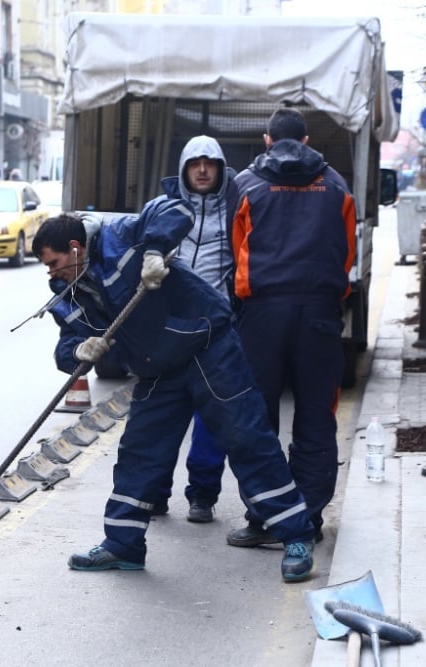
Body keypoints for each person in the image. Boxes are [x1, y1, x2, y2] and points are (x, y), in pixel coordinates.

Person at [32, 207, 317, 582]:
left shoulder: (122, 235)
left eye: (54, 263)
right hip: (157, 367)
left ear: (75, 248)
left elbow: (174, 208)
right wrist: (79, 352)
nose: (52, 273)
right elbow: (66, 346)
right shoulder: (68, 292)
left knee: (246, 437)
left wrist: (154, 250)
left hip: (206, 347)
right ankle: (123, 545)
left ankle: (296, 535)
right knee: (139, 453)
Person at [226, 107, 354, 550]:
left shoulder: (245, 185)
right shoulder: (336, 185)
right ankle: (310, 517)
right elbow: (347, 253)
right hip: (319, 313)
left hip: (262, 315)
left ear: (267, 140)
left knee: (258, 420)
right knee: (317, 417)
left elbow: (235, 249)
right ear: (306, 140)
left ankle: (265, 516)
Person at [151, 135, 241, 523]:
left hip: (216, 332)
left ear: (220, 169)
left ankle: (202, 494)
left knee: (211, 420)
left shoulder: (237, 209)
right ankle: (152, 493)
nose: (202, 170)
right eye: (194, 163)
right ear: (184, 169)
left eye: (210, 163)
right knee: (162, 415)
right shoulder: (164, 211)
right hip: (170, 330)